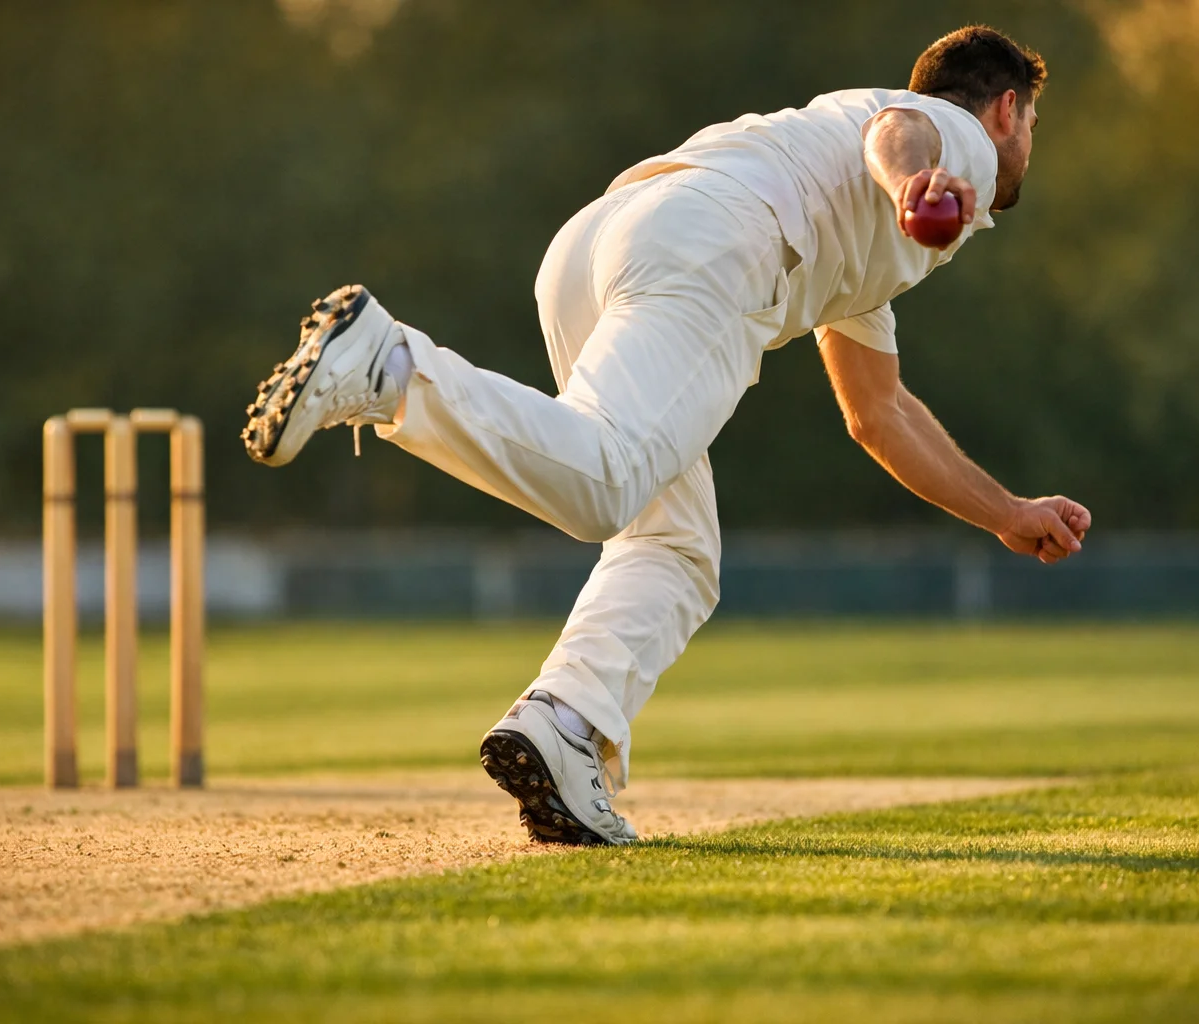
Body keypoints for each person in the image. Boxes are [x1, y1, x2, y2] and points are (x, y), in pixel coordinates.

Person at [240, 25, 1091, 846]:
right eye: (1034, 128)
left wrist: (1005, 513)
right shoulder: (949, 137)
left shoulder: (855, 228)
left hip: (602, 239)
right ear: (1007, 109)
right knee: (605, 482)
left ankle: (566, 724)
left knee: (674, 549)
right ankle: (391, 365)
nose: (1027, 148)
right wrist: (919, 184)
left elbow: (880, 414)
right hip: (717, 239)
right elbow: (900, 129)